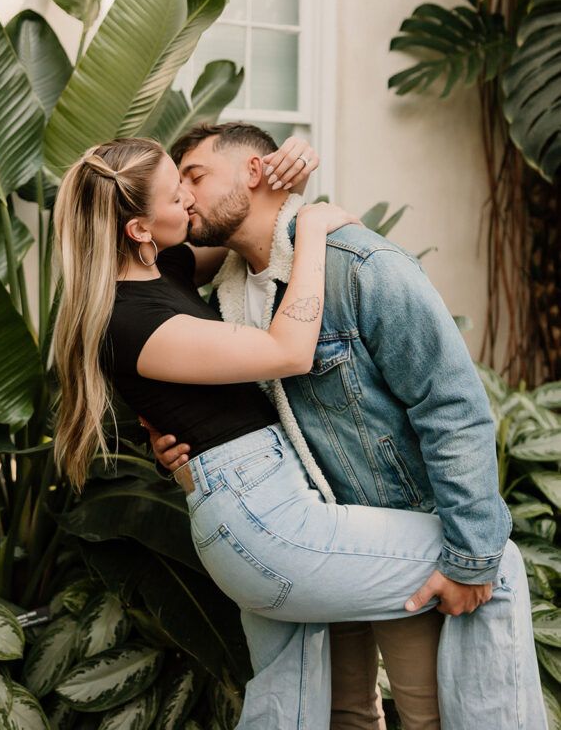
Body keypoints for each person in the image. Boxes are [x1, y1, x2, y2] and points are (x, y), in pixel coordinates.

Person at [53, 137, 546, 730]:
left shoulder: (178, 267)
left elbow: (245, 231)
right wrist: (311, 227)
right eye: (174, 187)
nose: (186, 195)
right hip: (264, 517)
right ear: (137, 229)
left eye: (192, 177)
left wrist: (294, 175)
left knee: (304, 708)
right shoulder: (130, 316)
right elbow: (286, 350)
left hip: (271, 504)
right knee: (493, 561)